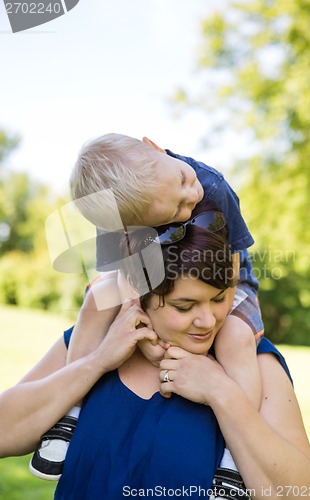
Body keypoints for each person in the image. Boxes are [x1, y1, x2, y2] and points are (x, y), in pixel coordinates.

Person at [0, 205, 310, 499]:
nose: (208, 320)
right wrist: (96, 363)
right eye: (185, 306)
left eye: (219, 298)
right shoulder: (93, 340)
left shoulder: (254, 361)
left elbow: (303, 493)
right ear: (139, 295)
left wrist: (221, 392)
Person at [30, 133, 265, 481]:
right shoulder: (116, 210)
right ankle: (70, 412)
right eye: (176, 211)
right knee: (96, 299)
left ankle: (234, 462)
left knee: (235, 337)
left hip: (225, 278)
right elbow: (119, 270)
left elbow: (229, 266)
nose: (191, 196)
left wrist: (213, 307)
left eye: (183, 181)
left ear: (154, 146)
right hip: (148, 276)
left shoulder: (211, 185)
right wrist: (139, 325)